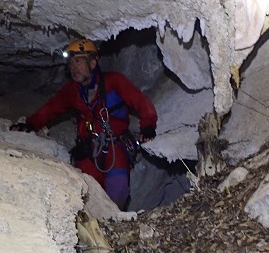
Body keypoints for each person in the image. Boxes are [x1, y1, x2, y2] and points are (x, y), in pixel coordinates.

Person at [10, 39, 158, 210]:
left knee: (118, 192)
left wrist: (148, 125)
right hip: (88, 148)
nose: (73, 67)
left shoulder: (114, 82)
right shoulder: (72, 91)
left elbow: (141, 102)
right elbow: (50, 109)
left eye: (78, 61)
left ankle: (114, 225)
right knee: (88, 194)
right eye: (71, 63)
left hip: (115, 145)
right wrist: (30, 124)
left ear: (93, 63)